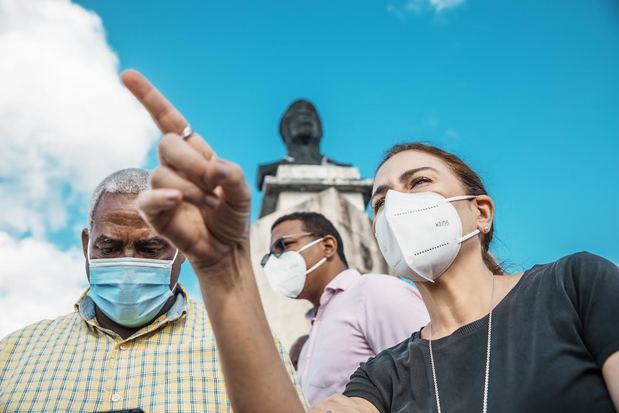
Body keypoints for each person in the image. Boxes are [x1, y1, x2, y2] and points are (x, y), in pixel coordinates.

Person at [120, 69, 619, 413]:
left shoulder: (574, 286)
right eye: (378, 201)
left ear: (481, 212)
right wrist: (224, 270)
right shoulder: (383, 376)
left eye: (418, 183)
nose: (395, 207)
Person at [0, 167, 303, 412]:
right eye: (109, 247)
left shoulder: (247, 351)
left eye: (150, 248)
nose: (128, 262)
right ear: (86, 245)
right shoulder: (12, 353)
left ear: (182, 249)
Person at [262, 211, 428, 404]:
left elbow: (428, 376)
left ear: (327, 246)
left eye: (283, 245)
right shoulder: (310, 338)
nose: (275, 261)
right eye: (269, 256)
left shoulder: (375, 291)